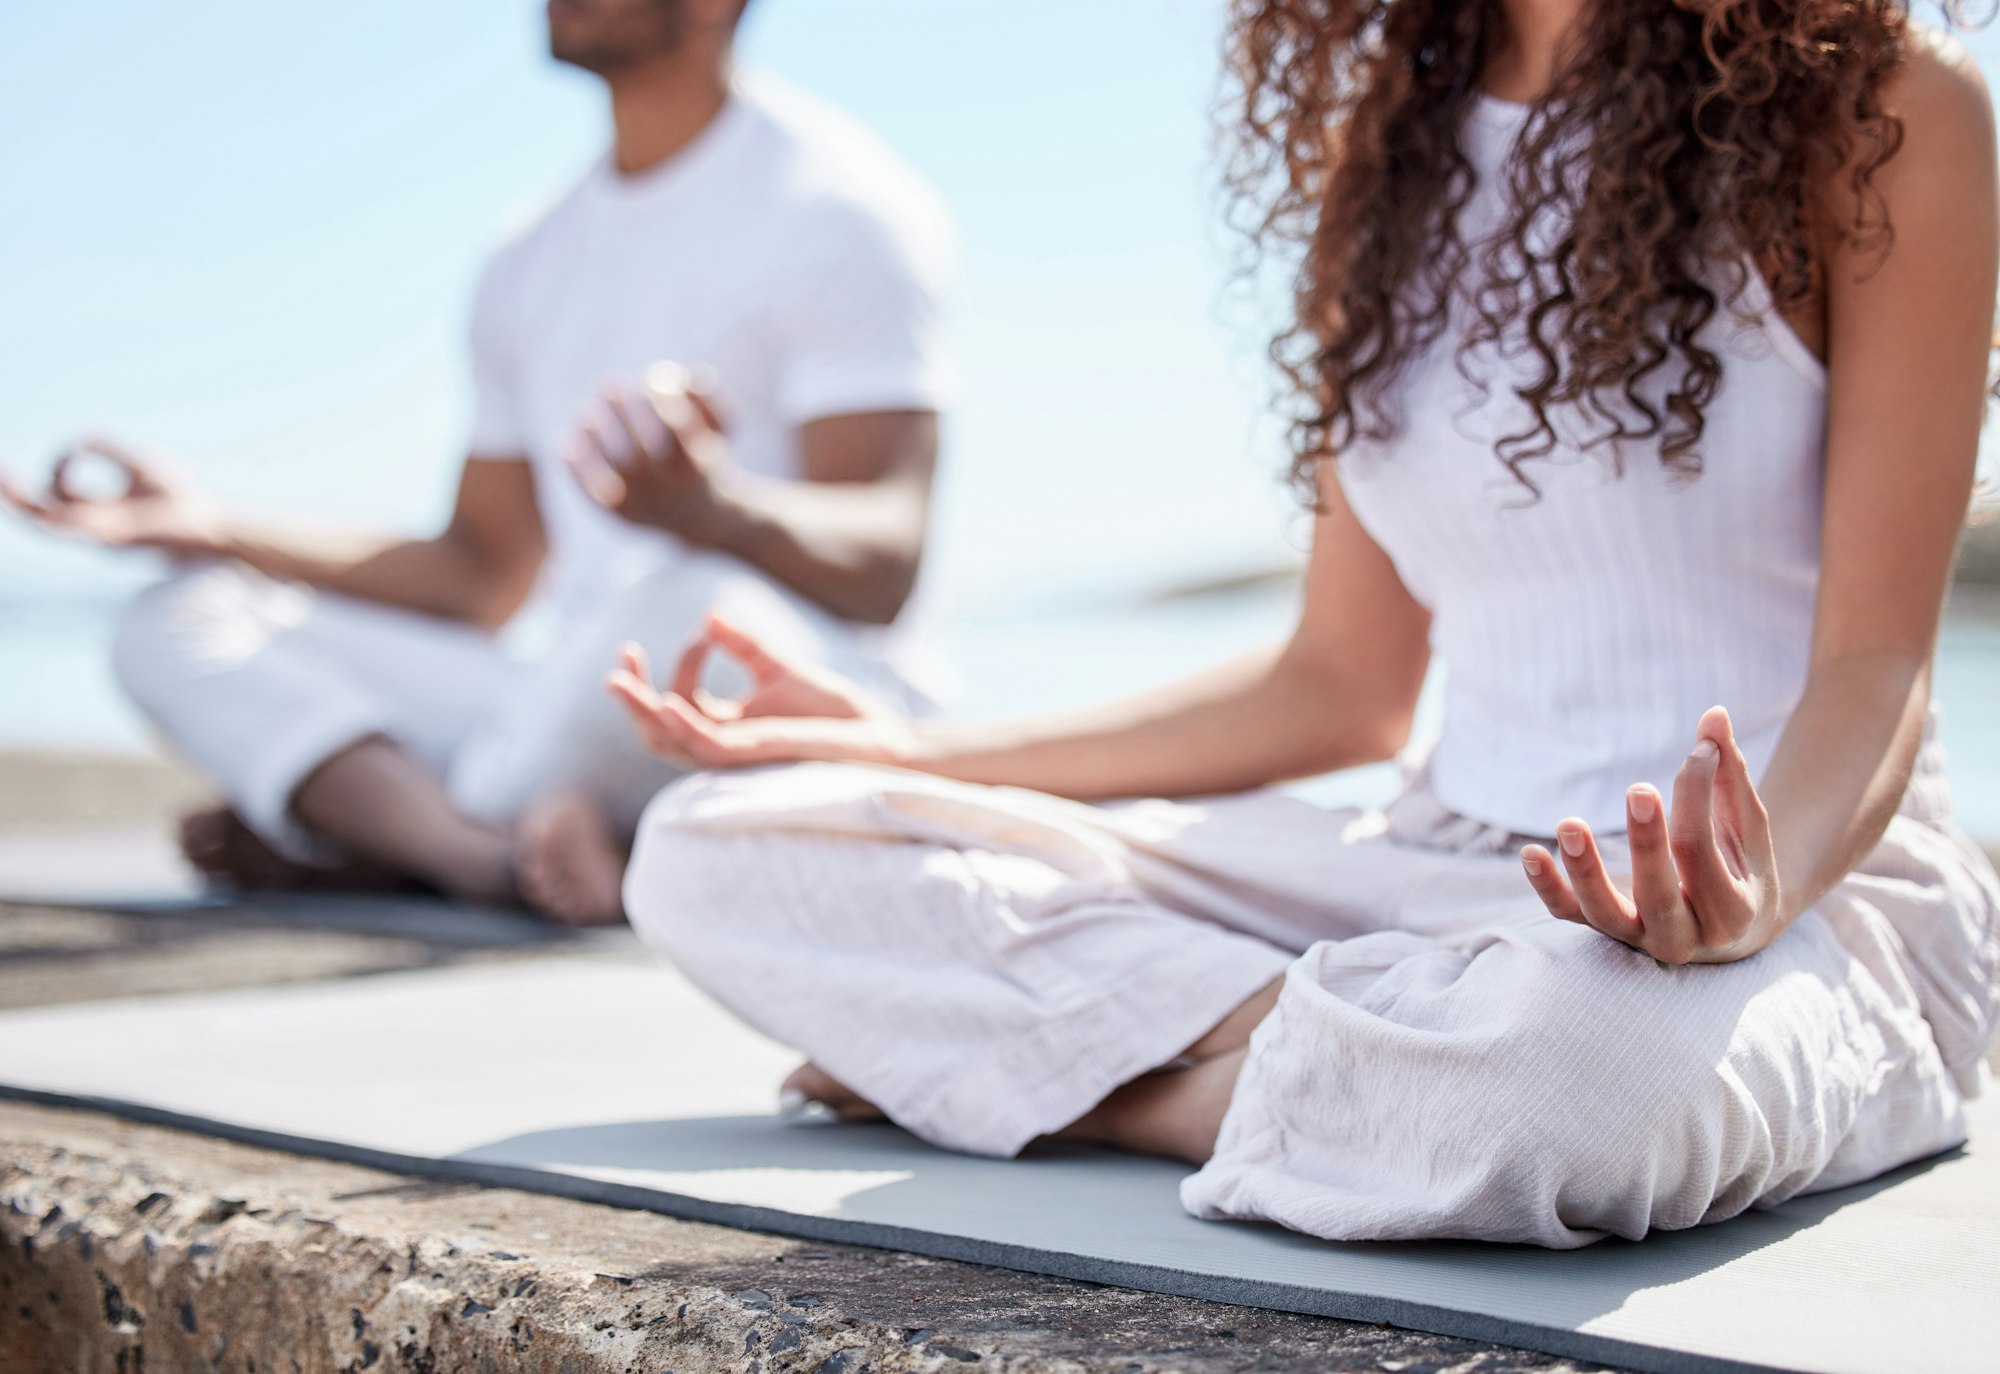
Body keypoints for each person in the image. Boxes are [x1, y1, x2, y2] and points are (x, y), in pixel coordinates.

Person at [606, 0, 2000, 1247]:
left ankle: (1112, 1093)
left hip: (1799, 898)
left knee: (1569, 1079)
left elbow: (1879, 666)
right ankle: (1345, 1060)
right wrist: (916, 752)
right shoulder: (1387, 155)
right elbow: (1336, 687)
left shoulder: (1878, 105)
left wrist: (1752, 891)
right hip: (1434, 873)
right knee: (722, 843)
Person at [0, 0, 955, 926]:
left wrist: (717, 511)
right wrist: (209, 526)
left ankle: (397, 833)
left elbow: (886, 565)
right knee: (177, 616)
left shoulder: (838, 206)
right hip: (565, 692)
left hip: (768, 684)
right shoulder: (532, 256)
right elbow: (481, 576)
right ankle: (487, 857)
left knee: (689, 597)